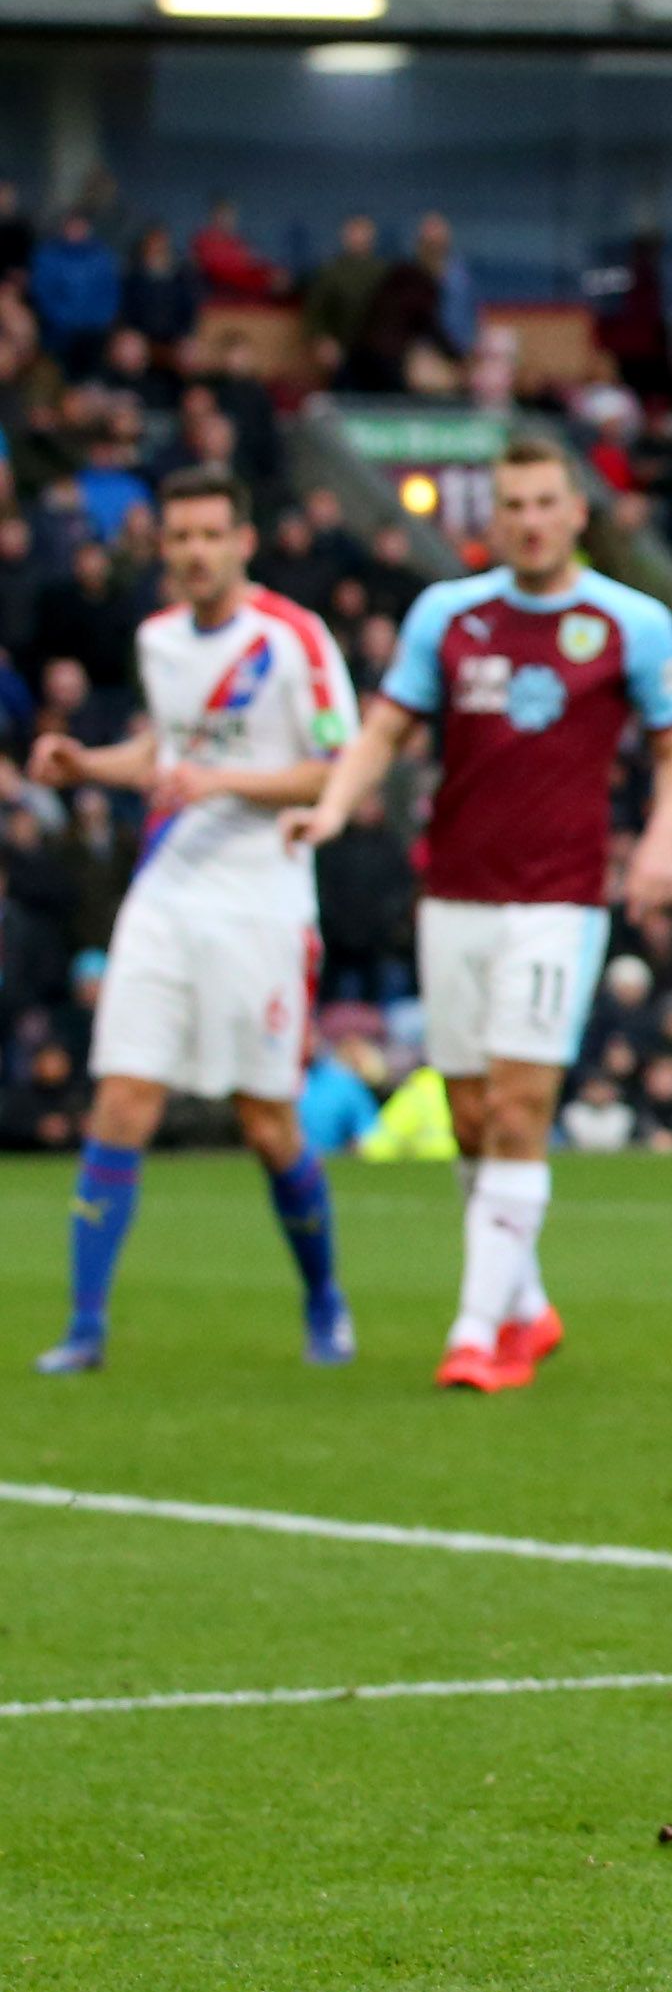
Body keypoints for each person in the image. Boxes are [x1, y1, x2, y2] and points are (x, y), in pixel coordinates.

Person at [289, 431, 672, 1391]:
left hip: (559, 900)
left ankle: (474, 1332)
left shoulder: (629, 621)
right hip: (455, 897)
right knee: (472, 1115)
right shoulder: (448, 614)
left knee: (519, 1106)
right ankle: (526, 1303)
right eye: (509, 504)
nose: (526, 520)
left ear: (575, 512)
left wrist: (662, 842)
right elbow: (386, 728)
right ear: (493, 518)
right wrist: (334, 806)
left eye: (542, 502)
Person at [29, 466, 359, 1374]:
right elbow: (168, 751)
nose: (196, 551)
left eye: (212, 533)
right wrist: (86, 764)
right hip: (167, 891)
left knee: (266, 1122)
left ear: (243, 540)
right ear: (163, 546)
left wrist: (225, 783)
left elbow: (340, 767)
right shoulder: (159, 639)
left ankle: (324, 1298)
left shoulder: (294, 638)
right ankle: (86, 1325)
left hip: (262, 898)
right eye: (181, 537)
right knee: (123, 1097)